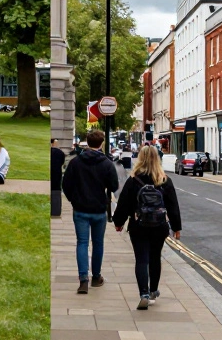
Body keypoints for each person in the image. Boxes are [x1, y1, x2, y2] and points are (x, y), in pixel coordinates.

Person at [112, 145, 183, 310]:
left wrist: (119, 222)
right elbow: (173, 206)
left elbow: (123, 204)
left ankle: (143, 293)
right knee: (155, 257)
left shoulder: (133, 180)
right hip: (159, 226)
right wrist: (176, 227)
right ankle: (153, 292)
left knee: (141, 259)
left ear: (140, 159)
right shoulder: (164, 180)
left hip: (138, 225)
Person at [62, 129, 120, 294]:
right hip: (98, 209)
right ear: (101, 143)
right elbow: (114, 186)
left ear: (87, 142)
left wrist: (74, 199)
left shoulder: (76, 162)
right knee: (98, 243)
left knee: (82, 242)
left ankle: (83, 279)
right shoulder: (107, 164)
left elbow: (65, 185)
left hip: (80, 208)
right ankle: (96, 277)